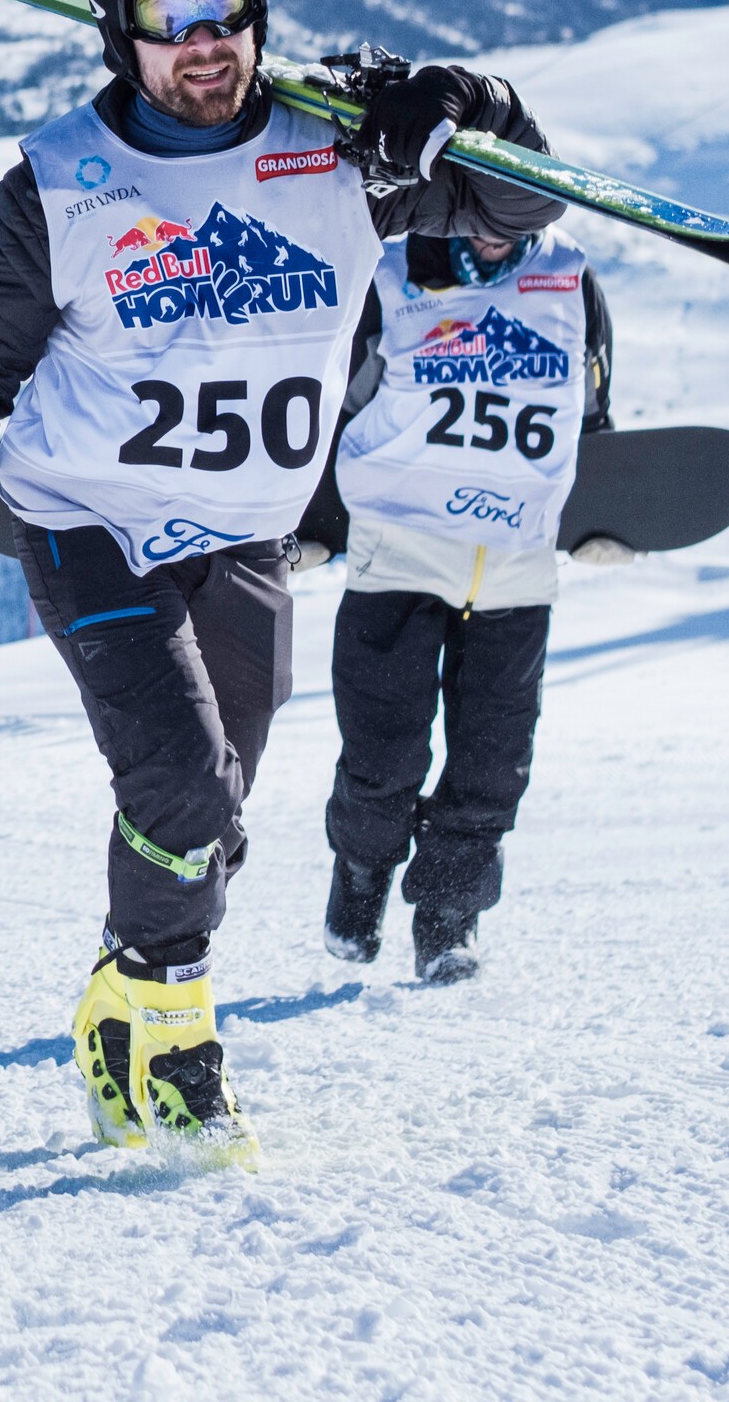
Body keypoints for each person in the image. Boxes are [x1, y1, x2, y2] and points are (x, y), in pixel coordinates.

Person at [0, 0, 563, 1160]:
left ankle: (125, 983)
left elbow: (524, 211)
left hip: (245, 536)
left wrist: (468, 102)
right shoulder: (61, 184)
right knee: (183, 783)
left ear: (260, 12)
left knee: (211, 812)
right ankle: (177, 1045)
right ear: (116, 37)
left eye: (226, 5)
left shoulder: (348, 155)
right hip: (90, 521)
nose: (204, 39)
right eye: (166, 13)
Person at [299, 217, 623, 983]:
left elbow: (593, 411)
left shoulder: (571, 280)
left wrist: (604, 520)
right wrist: (314, 527)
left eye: (518, 220)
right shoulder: (391, 274)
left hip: (515, 562)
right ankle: (362, 875)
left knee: (494, 762)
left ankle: (448, 918)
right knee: (384, 755)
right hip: (398, 550)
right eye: (481, 219)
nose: (496, 239)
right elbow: (330, 407)